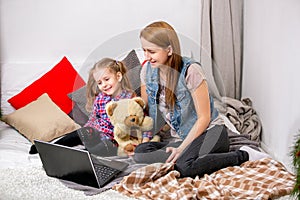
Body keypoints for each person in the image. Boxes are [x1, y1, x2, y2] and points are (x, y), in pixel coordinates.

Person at [133, 21, 269, 178]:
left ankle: (243, 155)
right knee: (141, 153)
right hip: (183, 138)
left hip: (211, 133)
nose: (146, 57)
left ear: (169, 50)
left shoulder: (191, 71)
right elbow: (149, 112)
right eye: (144, 50)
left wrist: (181, 149)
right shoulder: (147, 72)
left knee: (184, 168)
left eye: (151, 51)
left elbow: (204, 118)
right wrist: (144, 138)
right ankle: (189, 156)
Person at [30, 58, 149, 156]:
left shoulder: (130, 98)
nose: (104, 85)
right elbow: (93, 118)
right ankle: (52, 147)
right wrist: (85, 132)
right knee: (83, 131)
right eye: (100, 82)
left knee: (105, 146)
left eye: (107, 79)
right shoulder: (101, 98)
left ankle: (79, 156)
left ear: (118, 76)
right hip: (97, 135)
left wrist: (143, 142)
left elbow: (143, 121)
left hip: (115, 141)